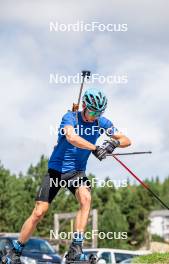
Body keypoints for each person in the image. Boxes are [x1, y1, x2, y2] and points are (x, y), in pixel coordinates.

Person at [2, 88, 131, 263]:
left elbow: (126, 140)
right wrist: (94, 148)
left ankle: (75, 250)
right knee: (40, 212)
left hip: (77, 172)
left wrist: (112, 144)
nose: (95, 115)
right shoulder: (70, 117)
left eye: (99, 112)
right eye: (92, 111)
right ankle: (14, 251)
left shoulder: (102, 122)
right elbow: (72, 137)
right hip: (57, 169)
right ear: (84, 106)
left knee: (86, 198)